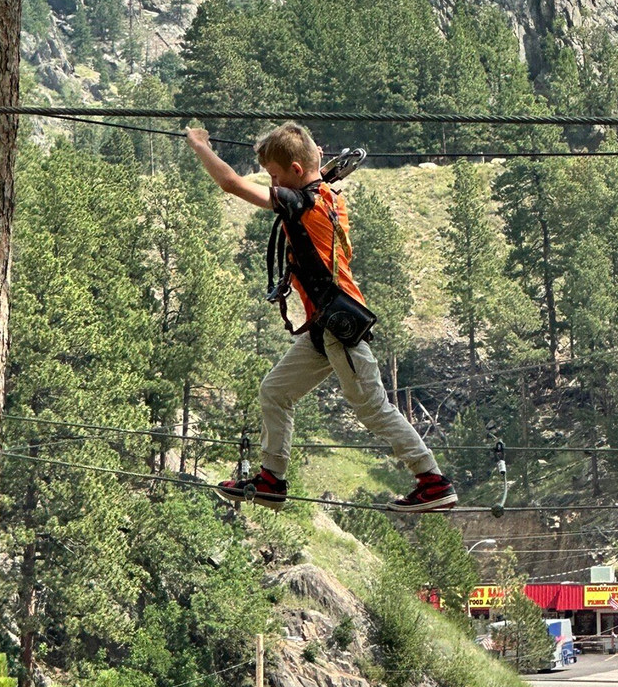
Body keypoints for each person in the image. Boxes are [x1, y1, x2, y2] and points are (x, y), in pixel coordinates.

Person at [185, 122, 458, 512]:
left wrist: (200, 145)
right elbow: (313, 170)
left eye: (275, 176)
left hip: (339, 327)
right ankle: (271, 480)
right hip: (323, 326)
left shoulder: (301, 202)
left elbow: (231, 184)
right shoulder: (327, 194)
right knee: (275, 391)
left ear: (296, 171)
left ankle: (432, 480)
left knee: (372, 407)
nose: (272, 184)